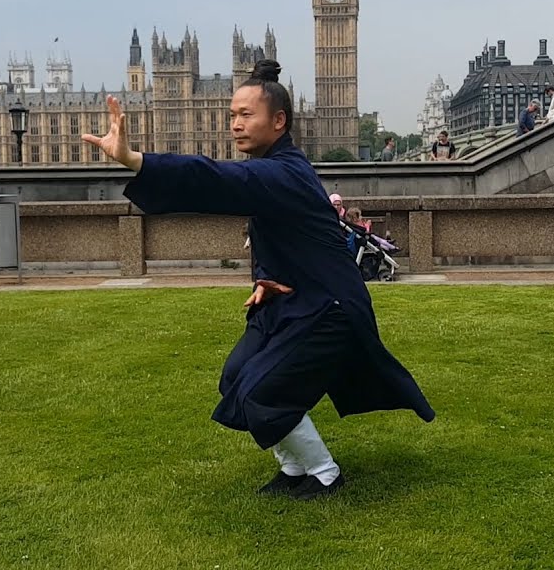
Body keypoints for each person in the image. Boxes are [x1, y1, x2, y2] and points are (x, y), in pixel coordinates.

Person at [82, 59, 434, 501]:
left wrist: (136, 161)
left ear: (279, 121)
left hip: (329, 310)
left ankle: (325, 474)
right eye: (231, 115)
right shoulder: (274, 168)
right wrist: (266, 277)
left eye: (246, 115)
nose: (235, 125)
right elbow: (283, 236)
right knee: (235, 379)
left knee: (264, 393)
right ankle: (293, 468)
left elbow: (212, 178)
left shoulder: (282, 171)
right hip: (290, 299)